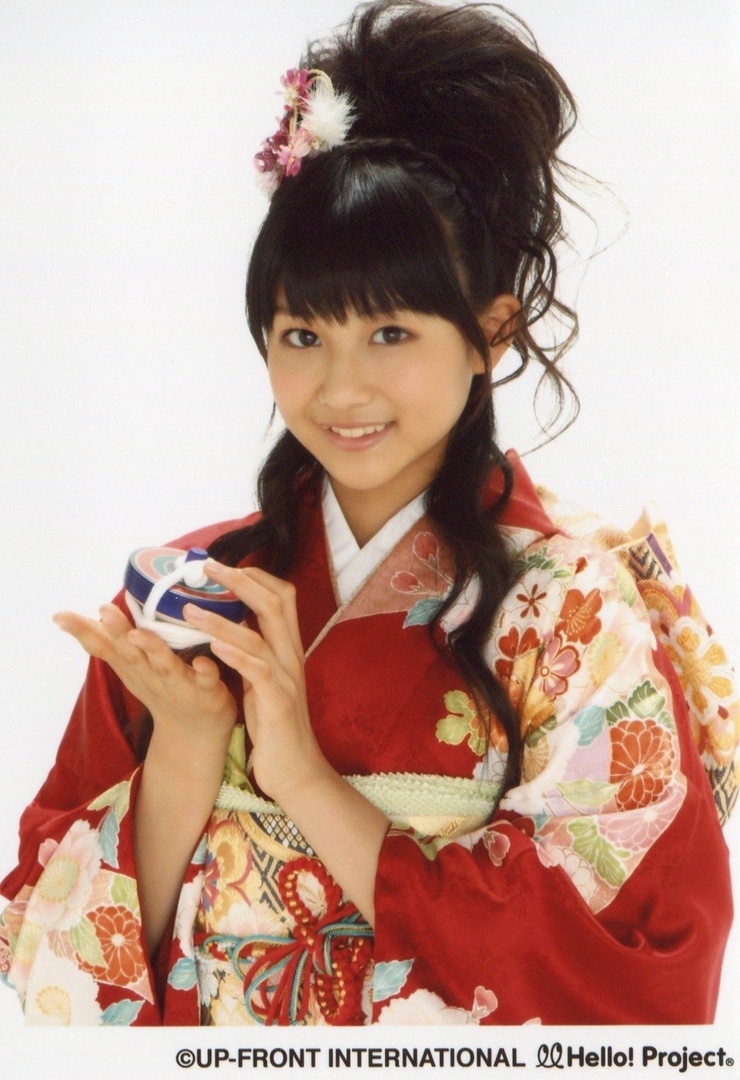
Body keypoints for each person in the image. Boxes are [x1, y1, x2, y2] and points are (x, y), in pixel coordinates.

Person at [0, 0, 736, 1026]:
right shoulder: (187, 600)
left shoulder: (569, 608)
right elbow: (48, 951)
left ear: (490, 334)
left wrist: (301, 778)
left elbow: (625, 961)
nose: (341, 389)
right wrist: (186, 746)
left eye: (389, 333)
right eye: (302, 335)